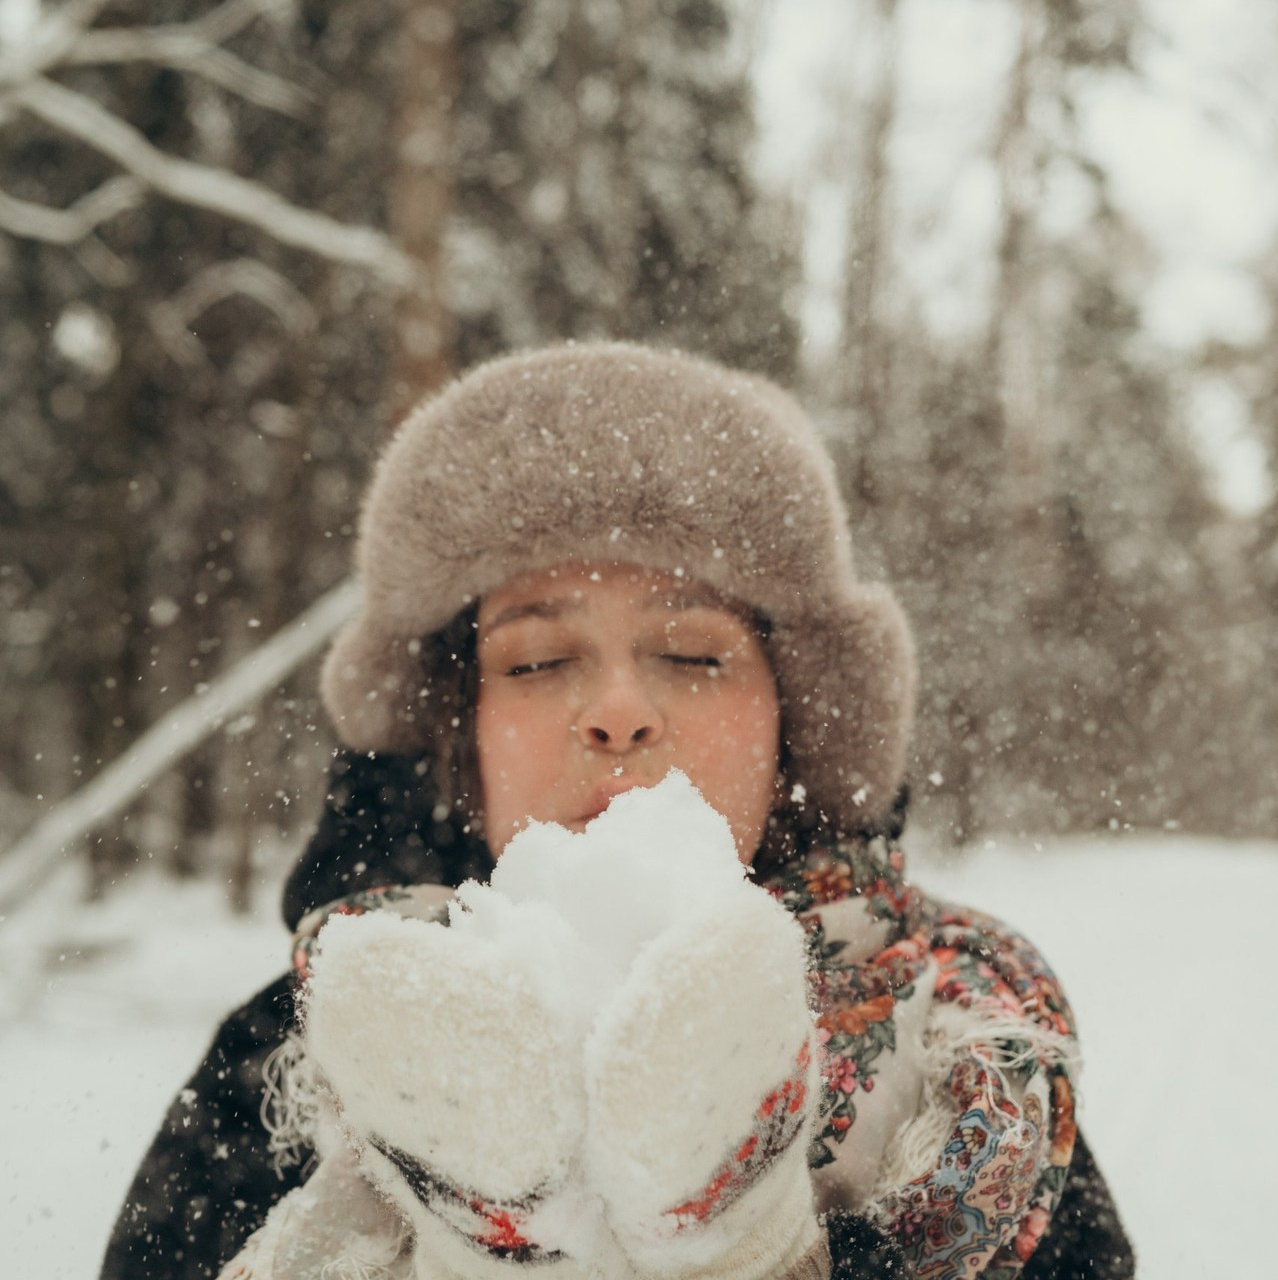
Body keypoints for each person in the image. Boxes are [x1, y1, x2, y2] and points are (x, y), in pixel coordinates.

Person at [101, 343, 1134, 1280]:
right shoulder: (278, 1064)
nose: (617, 712)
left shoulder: (961, 1054)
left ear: (795, 723)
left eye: (691, 653)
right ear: (459, 730)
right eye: (538, 658)